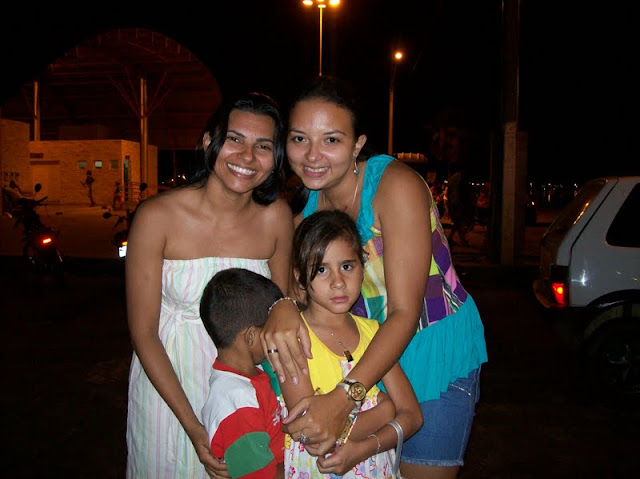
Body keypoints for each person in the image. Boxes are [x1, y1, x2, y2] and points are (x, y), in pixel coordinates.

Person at [261, 76, 488, 479]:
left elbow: (405, 311)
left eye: (331, 140)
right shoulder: (306, 215)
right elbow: (288, 286)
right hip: (365, 357)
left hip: (431, 348)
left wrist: (344, 398)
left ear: (357, 144)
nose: (312, 155)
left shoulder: (395, 186)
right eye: (299, 139)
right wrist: (281, 305)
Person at [125, 91, 294, 479]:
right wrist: (193, 426)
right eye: (234, 139)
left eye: (262, 146)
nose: (247, 156)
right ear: (208, 142)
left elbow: (279, 315)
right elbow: (143, 332)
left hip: (244, 396)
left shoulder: (276, 218)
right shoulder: (156, 216)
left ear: (275, 158)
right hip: (169, 388)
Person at [280, 209, 423, 478]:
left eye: (347, 266)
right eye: (321, 269)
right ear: (299, 277)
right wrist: (384, 411)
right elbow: (312, 433)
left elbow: (412, 416)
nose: (338, 282)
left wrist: (365, 448)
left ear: (362, 267)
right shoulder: (293, 338)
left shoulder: (374, 333)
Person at [199, 268, 286, 479]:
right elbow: (261, 476)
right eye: (272, 329)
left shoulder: (247, 378)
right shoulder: (237, 404)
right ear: (251, 337)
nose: (277, 335)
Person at [445, 161, 474, 248]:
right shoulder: (461, 178)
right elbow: (461, 192)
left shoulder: (453, 178)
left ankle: (453, 238)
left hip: (453, 202)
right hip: (457, 203)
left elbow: (449, 192)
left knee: (457, 222)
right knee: (459, 221)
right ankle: (461, 239)